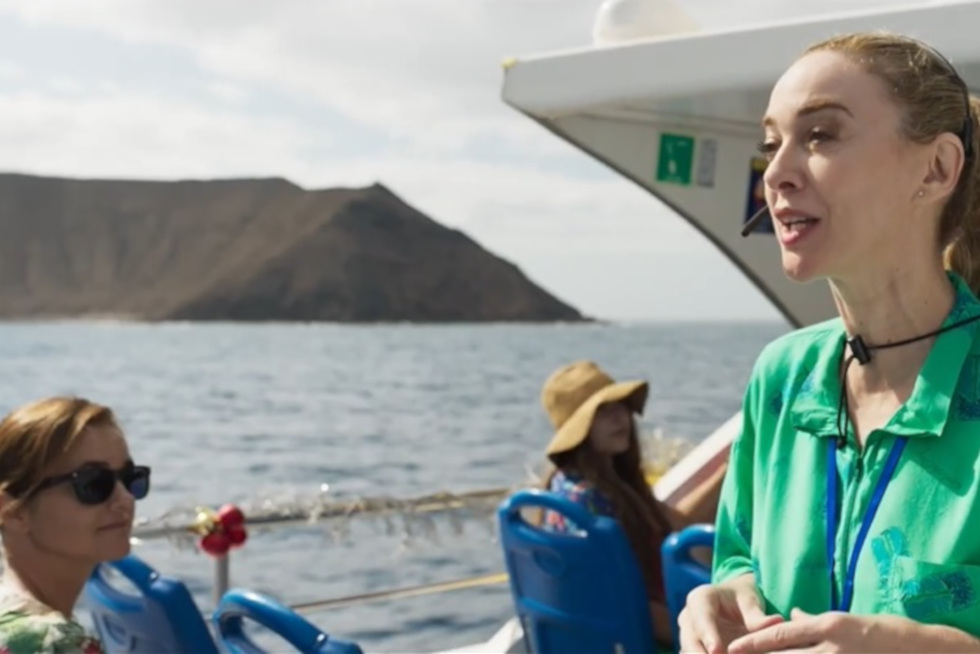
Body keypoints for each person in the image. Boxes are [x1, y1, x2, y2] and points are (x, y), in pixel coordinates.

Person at [679, 30, 980, 653]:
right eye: (771, 145)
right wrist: (726, 594)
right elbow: (738, 556)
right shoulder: (782, 376)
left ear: (936, 168)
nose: (776, 172)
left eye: (820, 135)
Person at [537, 360, 725, 647]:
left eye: (621, 404)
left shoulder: (588, 483)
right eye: (602, 410)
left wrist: (729, 470)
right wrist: (710, 638)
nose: (619, 416)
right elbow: (631, 606)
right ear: (578, 430)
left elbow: (676, 523)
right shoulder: (589, 504)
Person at [0, 397, 151, 653]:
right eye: (94, 483)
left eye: (129, 478)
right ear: (13, 512)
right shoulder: (56, 643)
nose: (125, 498)